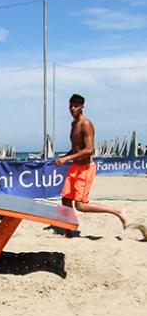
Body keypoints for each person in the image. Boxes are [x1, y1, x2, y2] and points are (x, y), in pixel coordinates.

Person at [55, 93, 129, 232]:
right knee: (65, 199)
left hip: (85, 168)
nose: (72, 108)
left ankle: (118, 211)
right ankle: (67, 231)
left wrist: (66, 159)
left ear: (82, 107)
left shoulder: (86, 124)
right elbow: (76, 148)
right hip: (75, 167)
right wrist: (63, 157)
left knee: (81, 206)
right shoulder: (73, 124)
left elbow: (89, 150)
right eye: (71, 105)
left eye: (76, 106)